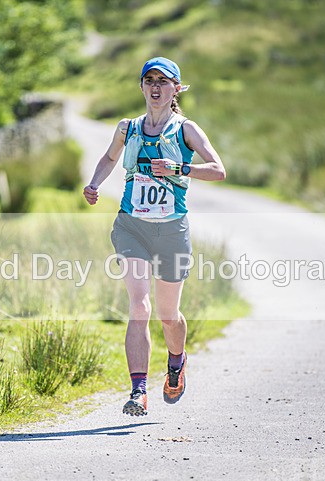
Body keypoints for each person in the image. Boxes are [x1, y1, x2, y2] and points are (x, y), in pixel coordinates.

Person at [82, 57, 226, 416]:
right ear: (142, 87)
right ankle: (138, 391)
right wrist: (94, 183)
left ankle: (176, 361)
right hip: (132, 226)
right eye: (149, 80)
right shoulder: (127, 128)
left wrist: (179, 167)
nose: (156, 87)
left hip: (172, 231)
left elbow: (219, 170)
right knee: (138, 305)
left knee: (168, 314)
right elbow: (109, 158)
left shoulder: (186, 129)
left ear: (176, 88)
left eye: (164, 81)